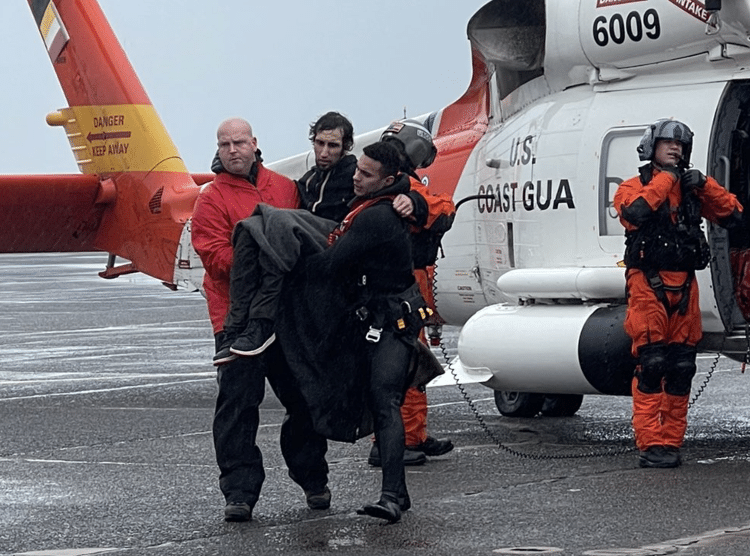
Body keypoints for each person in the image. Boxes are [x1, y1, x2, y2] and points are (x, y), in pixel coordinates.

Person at [191, 118, 330, 522]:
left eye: (239, 142)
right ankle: (239, 491)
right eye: (224, 144)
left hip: (287, 317)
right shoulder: (210, 199)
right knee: (237, 405)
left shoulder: (285, 188)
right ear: (218, 150)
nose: (232, 150)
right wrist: (267, 257)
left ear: (254, 144)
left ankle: (314, 480)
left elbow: (309, 236)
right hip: (235, 320)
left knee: (304, 399)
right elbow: (214, 257)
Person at [614, 119, 743, 468]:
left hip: (685, 284)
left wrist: (705, 185)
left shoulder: (693, 190)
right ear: (651, 147)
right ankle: (650, 441)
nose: (676, 149)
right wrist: (668, 178)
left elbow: (735, 216)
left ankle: (671, 441)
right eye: (669, 143)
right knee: (652, 363)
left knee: (682, 367)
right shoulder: (631, 186)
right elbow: (635, 213)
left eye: (681, 145)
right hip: (648, 285)